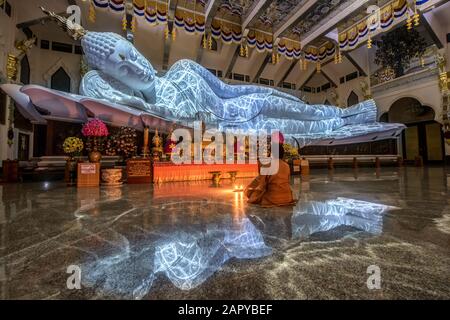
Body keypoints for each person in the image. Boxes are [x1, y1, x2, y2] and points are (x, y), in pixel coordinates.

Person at [245, 137, 295, 207]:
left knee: (250, 193)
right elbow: (288, 181)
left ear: (272, 153)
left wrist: (250, 191)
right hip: (288, 198)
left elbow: (261, 185)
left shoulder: (267, 164)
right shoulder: (286, 165)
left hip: (272, 199)